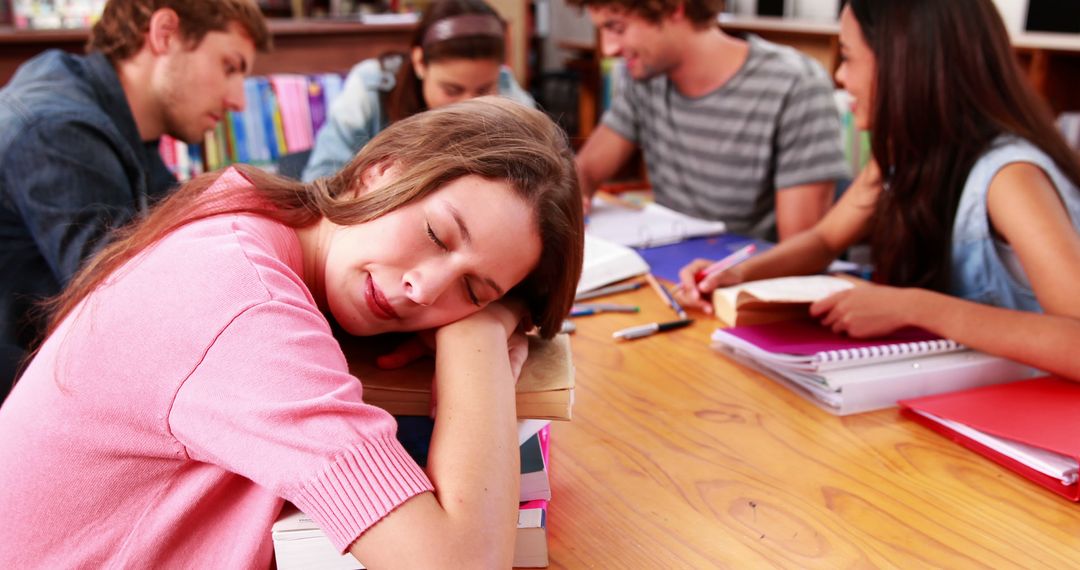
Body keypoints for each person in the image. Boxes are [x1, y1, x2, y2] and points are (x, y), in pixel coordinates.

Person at [0, 97, 584, 567]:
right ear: (385, 169)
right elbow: (459, 564)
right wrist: (476, 333)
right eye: (437, 235)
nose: (426, 291)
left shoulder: (251, 209)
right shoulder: (243, 303)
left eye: (474, 288)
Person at [677, 0, 1080, 381]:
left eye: (849, 57)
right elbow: (824, 239)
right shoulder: (906, 154)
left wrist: (914, 306)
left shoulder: (1011, 179)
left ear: (905, 63)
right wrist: (737, 274)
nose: (839, 76)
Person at [0, 0, 270, 400]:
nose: (238, 101)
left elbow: (182, 240)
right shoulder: (60, 130)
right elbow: (129, 307)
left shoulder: (120, 121)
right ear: (164, 33)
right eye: (229, 67)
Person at [569, 0, 849, 241]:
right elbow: (586, 171)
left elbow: (801, 252)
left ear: (675, 8)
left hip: (743, 286)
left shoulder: (795, 85)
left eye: (617, 28)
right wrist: (571, 192)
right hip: (672, 270)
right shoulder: (644, 78)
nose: (608, 49)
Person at [301, 0, 534, 182]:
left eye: (483, 90)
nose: (469, 106)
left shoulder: (507, 92)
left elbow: (546, 172)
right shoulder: (370, 86)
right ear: (420, 62)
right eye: (452, 90)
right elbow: (319, 181)